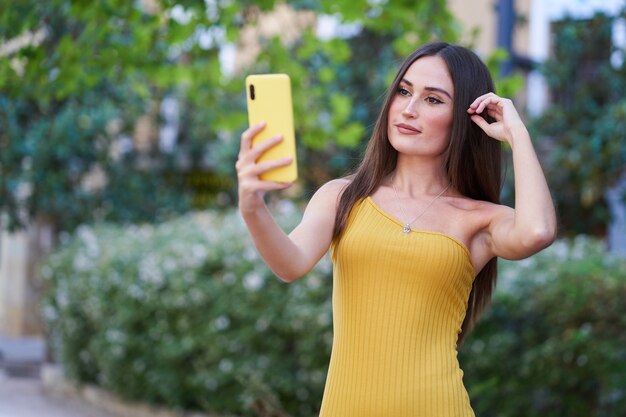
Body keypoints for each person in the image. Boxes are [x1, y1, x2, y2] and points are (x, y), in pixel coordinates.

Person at [236, 41, 556, 416]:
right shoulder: (343, 196)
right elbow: (289, 264)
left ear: (465, 118)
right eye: (403, 91)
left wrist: (518, 135)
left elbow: (537, 231)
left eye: (433, 100)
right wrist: (252, 206)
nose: (408, 109)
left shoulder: (478, 219)